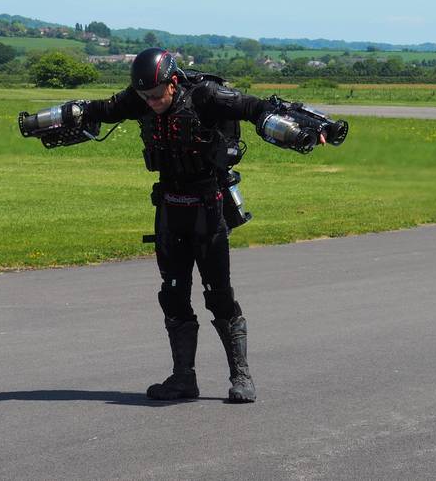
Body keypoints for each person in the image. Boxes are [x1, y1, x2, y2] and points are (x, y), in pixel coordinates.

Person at [19, 48, 347, 403]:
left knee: (219, 296)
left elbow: (256, 108)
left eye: (156, 94)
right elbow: (97, 110)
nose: (151, 102)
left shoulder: (207, 96)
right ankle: (183, 378)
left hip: (208, 208)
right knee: (173, 296)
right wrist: (47, 122)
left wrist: (309, 127)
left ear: (173, 83)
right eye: (145, 96)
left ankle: (241, 376)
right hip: (169, 209)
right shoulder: (139, 100)